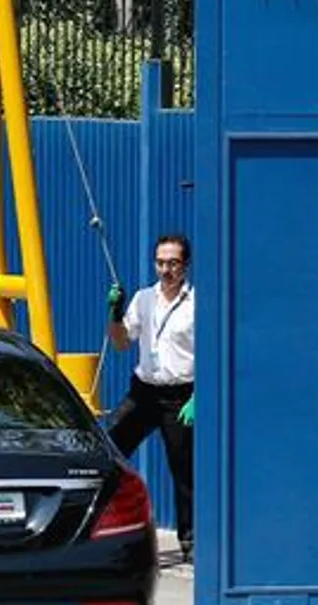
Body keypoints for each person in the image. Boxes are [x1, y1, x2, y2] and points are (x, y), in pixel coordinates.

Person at [106, 233, 196, 560]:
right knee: (108, 449)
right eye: (160, 262)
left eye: (172, 263)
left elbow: (211, 354)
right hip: (144, 392)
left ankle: (190, 541)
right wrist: (115, 314)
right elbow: (120, 343)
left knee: (183, 469)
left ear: (185, 265)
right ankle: (104, 528)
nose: (165, 269)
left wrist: (197, 397)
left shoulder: (197, 303)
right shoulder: (144, 299)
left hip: (181, 395)